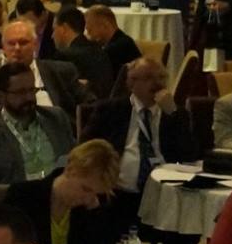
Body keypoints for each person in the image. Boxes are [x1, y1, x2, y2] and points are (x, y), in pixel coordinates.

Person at [82, 57, 197, 221]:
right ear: (131, 83)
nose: (158, 83)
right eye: (149, 77)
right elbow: (84, 147)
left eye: (162, 77)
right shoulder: (110, 110)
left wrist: (173, 114)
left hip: (164, 193)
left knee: (190, 220)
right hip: (119, 194)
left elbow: (190, 155)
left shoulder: (175, 114)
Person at [1, 138, 121, 244]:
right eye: (85, 189)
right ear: (70, 170)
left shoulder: (90, 206)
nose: (89, 199)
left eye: (96, 193)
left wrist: (96, 215)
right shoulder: (23, 195)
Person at [0, 61, 77, 186]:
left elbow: (74, 161)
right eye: (21, 92)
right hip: (15, 196)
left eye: (31, 90)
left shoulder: (56, 118)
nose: (29, 97)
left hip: (59, 193)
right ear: (1, 96)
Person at [0, 20, 85, 123]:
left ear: (35, 45)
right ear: (3, 47)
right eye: (11, 43)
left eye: (23, 42)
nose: (17, 48)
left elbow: (90, 106)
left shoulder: (61, 72)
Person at [50, 6, 115, 100]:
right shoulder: (99, 50)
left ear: (64, 28)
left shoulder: (63, 57)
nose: (52, 36)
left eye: (54, 29)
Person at [83, 4, 142, 75]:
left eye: (90, 30)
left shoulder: (119, 46)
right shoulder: (117, 41)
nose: (88, 35)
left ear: (105, 25)